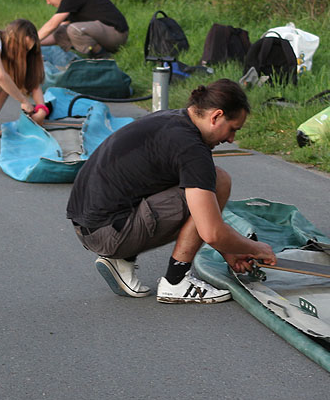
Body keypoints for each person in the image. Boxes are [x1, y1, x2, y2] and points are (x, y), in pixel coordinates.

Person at [66, 79, 277, 303]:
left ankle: (122, 259)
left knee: (210, 181)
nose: (231, 139)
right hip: (109, 233)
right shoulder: (192, 149)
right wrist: (256, 248)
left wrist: (230, 251)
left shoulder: (172, 120)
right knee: (217, 183)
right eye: (232, 129)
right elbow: (211, 232)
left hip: (91, 226)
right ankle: (175, 281)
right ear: (215, 116)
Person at [35, 0, 129, 56]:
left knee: (74, 29)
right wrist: (36, 44)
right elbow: (57, 33)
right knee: (61, 31)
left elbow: (52, 24)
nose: (48, 2)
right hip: (104, 34)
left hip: (117, 34)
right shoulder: (70, 1)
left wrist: (33, 40)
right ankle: (93, 51)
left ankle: (101, 56)